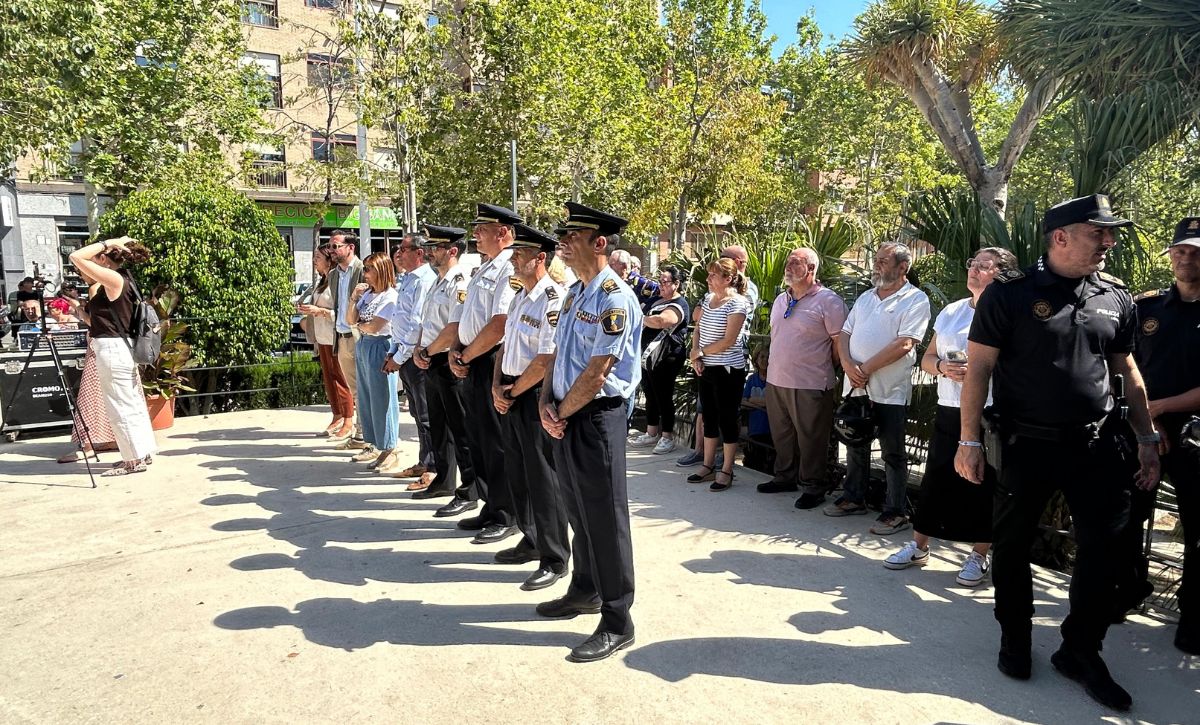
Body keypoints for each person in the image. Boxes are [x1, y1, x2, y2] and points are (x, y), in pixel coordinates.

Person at [955, 194, 1160, 710]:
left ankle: (1081, 650)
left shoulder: (1116, 296)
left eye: (1110, 233)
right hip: (1026, 443)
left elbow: (1127, 371)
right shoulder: (1012, 294)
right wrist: (969, 439)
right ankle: (1015, 638)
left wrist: (1147, 437)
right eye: (1100, 233)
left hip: (1095, 445)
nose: (1109, 242)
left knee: (1104, 551)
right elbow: (977, 370)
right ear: (1061, 236)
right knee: (1012, 546)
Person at [537, 201, 643, 663]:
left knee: (605, 518)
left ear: (599, 242)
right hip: (564, 411)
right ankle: (585, 589)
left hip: (596, 416)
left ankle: (618, 620)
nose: (562, 240)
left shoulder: (614, 296)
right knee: (577, 510)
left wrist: (560, 409)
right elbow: (559, 355)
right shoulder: (577, 291)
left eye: (572, 235)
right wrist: (546, 401)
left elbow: (600, 370)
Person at [883, 247, 1018, 586]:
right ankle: (918, 546)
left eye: (984, 266)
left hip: (989, 410)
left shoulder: (1010, 312)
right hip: (949, 406)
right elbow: (926, 358)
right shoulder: (952, 310)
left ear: (1002, 273)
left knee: (984, 483)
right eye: (972, 263)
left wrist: (982, 370)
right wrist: (943, 367)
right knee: (936, 479)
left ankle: (978, 555)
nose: (974, 270)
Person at [826, 242, 930, 534]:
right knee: (855, 443)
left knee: (892, 452)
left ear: (902, 268)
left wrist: (865, 369)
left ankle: (895, 511)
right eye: (877, 260)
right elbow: (845, 333)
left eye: (884, 261)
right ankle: (853, 497)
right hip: (855, 386)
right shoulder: (866, 298)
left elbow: (905, 343)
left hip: (889, 390)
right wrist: (848, 365)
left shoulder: (915, 299)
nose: (877, 265)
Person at [1131, 217, 1200, 655]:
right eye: (1180, 250)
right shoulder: (1147, 307)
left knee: (1196, 532)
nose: (1186, 257)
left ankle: (1193, 622)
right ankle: (1124, 592)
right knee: (1123, 519)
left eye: (1196, 251)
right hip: (1142, 431)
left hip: (1195, 438)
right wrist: (1149, 422)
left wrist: (1162, 409)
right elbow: (1124, 365)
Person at [491, 223, 570, 591]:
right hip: (510, 393)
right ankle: (532, 535)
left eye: (519, 255)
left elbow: (546, 358)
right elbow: (506, 345)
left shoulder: (553, 297)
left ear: (540, 258)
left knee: (543, 478)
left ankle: (554, 558)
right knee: (519, 473)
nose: (513, 260)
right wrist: (497, 385)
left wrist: (513, 391)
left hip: (531, 396)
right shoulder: (521, 295)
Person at [444, 203, 522, 544]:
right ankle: (491, 506)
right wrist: (454, 350)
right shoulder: (482, 267)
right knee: (477, 438)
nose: (475, 233)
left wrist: (467, 353)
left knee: (496, 442)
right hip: (470, 358)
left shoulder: (509, 269)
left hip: (489, 359)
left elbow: (500, 323)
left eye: (483, 228)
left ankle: (507, 514)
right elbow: (465, 316)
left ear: (503, 233)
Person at [758, 248, 848, 509]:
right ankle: (784, 476)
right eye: (788, 262)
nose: (788, 266)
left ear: (811, 269)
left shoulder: (829, 301)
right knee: (782, 434)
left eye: (796, 263)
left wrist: (821, 365)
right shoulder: (780, 300)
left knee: (811, 438)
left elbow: (838, 343)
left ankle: (813, 486)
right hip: (777, 380)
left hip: (810, 382)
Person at [67, 236, 157, 477]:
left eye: (96, 258)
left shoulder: (115, 278)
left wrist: (109, 242)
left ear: (104, 258)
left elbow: (75, 256)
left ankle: (132, 460)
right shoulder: (125, 279)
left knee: (121, 406)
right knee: (131, 403)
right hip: (118, 346)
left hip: (113, 348)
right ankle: (140, 453)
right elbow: (101, 320)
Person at [411, 226, 476, 507]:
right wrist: (418, 348)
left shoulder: (458, 282)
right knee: (439, 425)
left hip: (447, 360)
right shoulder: (438, 281)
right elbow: (427, 323)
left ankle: (470, 488)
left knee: (460, 428)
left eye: (436, 247)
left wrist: (427, 350)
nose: (430, 252)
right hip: (430, 358)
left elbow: (454, 328)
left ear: (452, 251)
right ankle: (444, 479)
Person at [686, 257, 752, 492]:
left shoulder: (738, 304)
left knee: (726, 417)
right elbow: (698, 329)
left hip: (728, 369)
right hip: (706, 367)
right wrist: (696, 354)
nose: (709, 279)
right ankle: (707, 464)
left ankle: (726, 469)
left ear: (728, 278)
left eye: (714, 275)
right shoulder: (707, 299)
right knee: (709, 416)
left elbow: (729, 340)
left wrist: (702, 351)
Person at [383, 233, 438, 486]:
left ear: (419, 253)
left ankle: (434, 467)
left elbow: (417, 324)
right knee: (417, 412)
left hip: (418, 356)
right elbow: (400, 320)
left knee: (428, 415)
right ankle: (423, 460)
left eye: (403, 249)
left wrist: (401, 355)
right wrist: (395, 351)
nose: (398, 253)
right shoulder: (408, 278)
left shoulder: (425, 280)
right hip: (405, 355)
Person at [345, 252, 400, 472]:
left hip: (380, 345)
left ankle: (390, 448)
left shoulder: (389, 296)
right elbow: (351, 320)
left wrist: (361, 323)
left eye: (369, 269)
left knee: (382, 398)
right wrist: (353, 299)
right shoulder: (368, 294)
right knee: (367, 397)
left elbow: (376, 326)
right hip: (364, 344)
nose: (365, 273)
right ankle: (376, 443)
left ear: (381, 270)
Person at [629, 265, 690, 455]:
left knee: (664, 395)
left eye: (666, 282)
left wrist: (641, 317)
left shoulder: (680, 303)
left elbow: (663, 321)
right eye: (660, 281)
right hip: (647, 357)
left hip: (667, 356)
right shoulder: (655, 300)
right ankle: (652, 431)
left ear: (676, 284)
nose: (661, 285)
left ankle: (667, 436)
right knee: (649, 392)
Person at [56, 281, 118, 464]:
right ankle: (111, 438)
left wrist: (78, 309)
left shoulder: (96, 287)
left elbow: (96, 323)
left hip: (99, 345)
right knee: (112, 395)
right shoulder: (115, 283)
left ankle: (88, 445)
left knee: (91, 396)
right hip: (116, 346)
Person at [297, 248, 354, 439]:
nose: (314, 260)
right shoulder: (321, 281)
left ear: (328, 261)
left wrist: (318, 311)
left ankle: (348, 418)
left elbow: (341, 311)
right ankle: (337, 415)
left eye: (318, 258)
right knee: (329, 379)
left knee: (341, 378)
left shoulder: (336, 282)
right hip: (322, 337)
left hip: (334, 336)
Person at [326, 230, 365, 450]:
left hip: (359, 336)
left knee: (364, 390)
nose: (331, 250)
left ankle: (364, 435)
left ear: (350, 247)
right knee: (354, 390)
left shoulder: (362, 270)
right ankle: (361, 434)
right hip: (341, 337)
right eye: (330, 246)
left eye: (336, 246)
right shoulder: (333, 275)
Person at [740, 347, 773, 473]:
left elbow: (775, 402)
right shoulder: (752, 379)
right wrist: (764, 403)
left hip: (771, 429)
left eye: (768, 357)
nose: (765, 360)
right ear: (756, 360)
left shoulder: (775, 379)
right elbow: (743, 401)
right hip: (755, 428)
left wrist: (753, 400)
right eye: (762, 357)